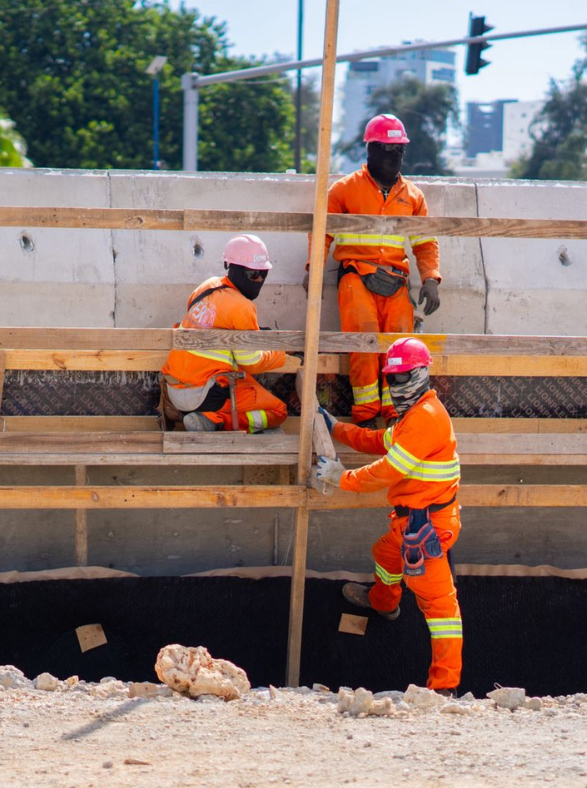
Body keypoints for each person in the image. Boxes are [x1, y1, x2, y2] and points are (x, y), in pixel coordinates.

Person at [315, 337, 462, 696]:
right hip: (409, 523)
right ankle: (385, 603)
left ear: (421, 374)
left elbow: (387, 470)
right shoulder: (415, 414)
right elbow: (379, 441)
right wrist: (335, 428)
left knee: (441, 610)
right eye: (390, 380)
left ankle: (444, 688)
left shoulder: (426, 419)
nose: (394, 388)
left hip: (426, 529)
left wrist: (341, 478)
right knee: (384, 554)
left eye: (400, 379)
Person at [305, 113, 442, 429]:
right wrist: (313, 269)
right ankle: (366, 417)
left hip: (396, 281)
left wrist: (431, 278)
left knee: (398, 350)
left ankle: (395, 415)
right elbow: (321, 232)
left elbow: (425, 241)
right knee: (364, 345)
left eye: (398, 150)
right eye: (385, 149)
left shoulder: (412, 196)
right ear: (370, 150)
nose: (392, 156)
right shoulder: (344, 190)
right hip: (356, 277)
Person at [162, 234, 287, 433]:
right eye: (253, 274)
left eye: (263, 274)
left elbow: (214, 321)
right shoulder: (242, 307)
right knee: (279, 410)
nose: (259, 279)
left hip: (174, 388)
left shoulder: (206, 287)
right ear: (231, 267)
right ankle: (214, 420)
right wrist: (281, 354)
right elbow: (252, 363)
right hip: (204, 394)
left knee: (243, 379)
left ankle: (202, 415)